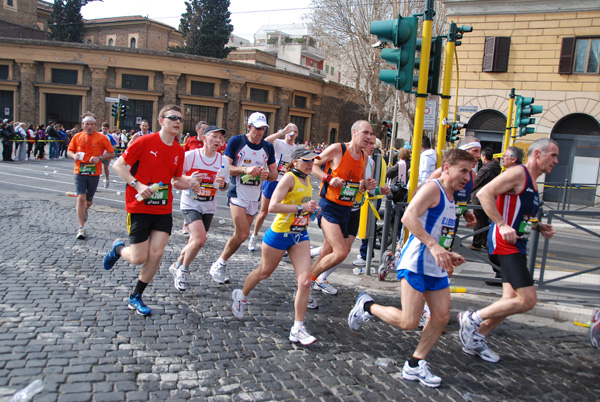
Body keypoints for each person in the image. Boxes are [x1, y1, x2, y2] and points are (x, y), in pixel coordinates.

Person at [348, 149, 475, 388]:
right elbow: (408, 217)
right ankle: (367, 305)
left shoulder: (452, 195)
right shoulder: (433, 189)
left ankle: (415, 364)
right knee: (408, 321)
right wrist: (434, 246)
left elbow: (439, 230)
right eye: (464, 171)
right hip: (416, 262)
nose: (467, 177)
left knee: (440, 317)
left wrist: (447, 252)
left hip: (436, 265)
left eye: (470, 171)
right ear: (447, 168)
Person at [458, 138, 559, 363]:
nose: (556, 161)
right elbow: (484, 194)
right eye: (553, 155)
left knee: (509, 299)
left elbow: (521, 214)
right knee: (527, 300)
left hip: (518, 244)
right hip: (504, 244)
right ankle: (472, 318)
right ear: (538, 155)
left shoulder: (532, 181)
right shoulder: (519, 173)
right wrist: (502, 224)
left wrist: (538, 226)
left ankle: (476, 337)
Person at [103, 105, 198, 316]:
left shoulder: (178, 150)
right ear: (161, 120)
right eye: (173, 117)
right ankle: (118, 250)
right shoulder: (144, 142)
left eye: (180, 119)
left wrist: (190, 182)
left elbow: (176, 180)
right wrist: (137, 184)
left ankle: (136, 296)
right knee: (138, 257)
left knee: (156, 254)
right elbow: (119, 165)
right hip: (139, 206)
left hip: (162, 208)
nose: (177, 122)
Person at [231, 146, 320, 345]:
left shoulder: (307, 179)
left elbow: (302, 207)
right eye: (306, 160)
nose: (310, 164)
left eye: (312, 161)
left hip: (299, 235)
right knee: (264, 272)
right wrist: (300, 208)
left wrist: (311, 210)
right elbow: (272, 206)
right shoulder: (289, 177)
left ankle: (298, 328)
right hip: (279, 234)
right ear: (295, 161)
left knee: (305, 282)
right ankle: (241, 295)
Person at [308, 120, 376, 308]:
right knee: (341, 252)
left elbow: (358, 184)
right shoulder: (338, 149)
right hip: (329, 206)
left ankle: (309, 284)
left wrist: (366, 185)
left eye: (371, 134)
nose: (369, 137)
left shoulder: (363, 156)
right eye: (365, 133)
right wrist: (328, 178)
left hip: (347, 209)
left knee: (327, 252)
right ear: (354, 132)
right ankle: (307, 283)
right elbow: (312, 165)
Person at [209, 112, 277, 284]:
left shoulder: (268, 147)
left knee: (241, 236)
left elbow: (274, 174)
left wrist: (266, 174)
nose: (260, 132)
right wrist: (245, 170)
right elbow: (226, 167)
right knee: (243, 233)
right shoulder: (237, 141)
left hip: (255, 196)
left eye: (263, 129)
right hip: (237, 192)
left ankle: (220, 263)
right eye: (257, 128)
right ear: (249, 127)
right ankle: (220, 264)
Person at [168, 125, 230, 291]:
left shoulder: (222, 160)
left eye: (221, 138)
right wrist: (190, 182)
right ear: (204, 138)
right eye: (214, 137)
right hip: (190, 204)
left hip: (209, 205)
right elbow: (175, 181)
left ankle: (177, 264)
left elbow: (225, 186)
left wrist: (223, 185)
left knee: (193, 241)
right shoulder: (190, 156)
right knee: (200, 240)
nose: (218, 141)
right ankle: (183, 270)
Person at [247, 122, 298, 252]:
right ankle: (254, 236)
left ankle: (283, 241)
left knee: (284, 213)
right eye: (290, 131)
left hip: (286, 183)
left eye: (295, 131)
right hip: (273, 180)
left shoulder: (297, 148)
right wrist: (282, 131)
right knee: (264, 212)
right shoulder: (278, 143)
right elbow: (265, 141)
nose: (292, 134)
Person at [66, 113, 115, 240]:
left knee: (88, 201)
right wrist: (74, 156)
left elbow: (111, 153)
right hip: (79, 171)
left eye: (91, 124)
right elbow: (69, 151)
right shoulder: (77, 137)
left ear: (95, 125)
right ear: (82, 125)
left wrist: (99, 157)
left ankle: (85, 208)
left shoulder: (102, 138)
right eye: (86, 124)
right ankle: (81, 228)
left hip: (94, 173)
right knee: (81, 197)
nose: (89, 126)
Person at [469, 148, 501, 252]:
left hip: (480, 198)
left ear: (484, 157)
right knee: (485, 222)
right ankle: (484, 242)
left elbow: (476, 183)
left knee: (479, 221)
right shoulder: (497, 167)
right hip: (491, 198)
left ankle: (476, 243)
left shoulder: (485, 169)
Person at [100, 122, 117, 188]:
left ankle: (107, 179)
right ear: (101, 128)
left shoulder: (110, 136)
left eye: (105, 129)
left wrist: (110, 151)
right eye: (103, 129)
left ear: (108, 129)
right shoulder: (98, 134)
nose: (104, 130)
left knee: (105, 168)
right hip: (98, 154)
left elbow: (114, 145)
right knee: (95, 168)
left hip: (106, 155)